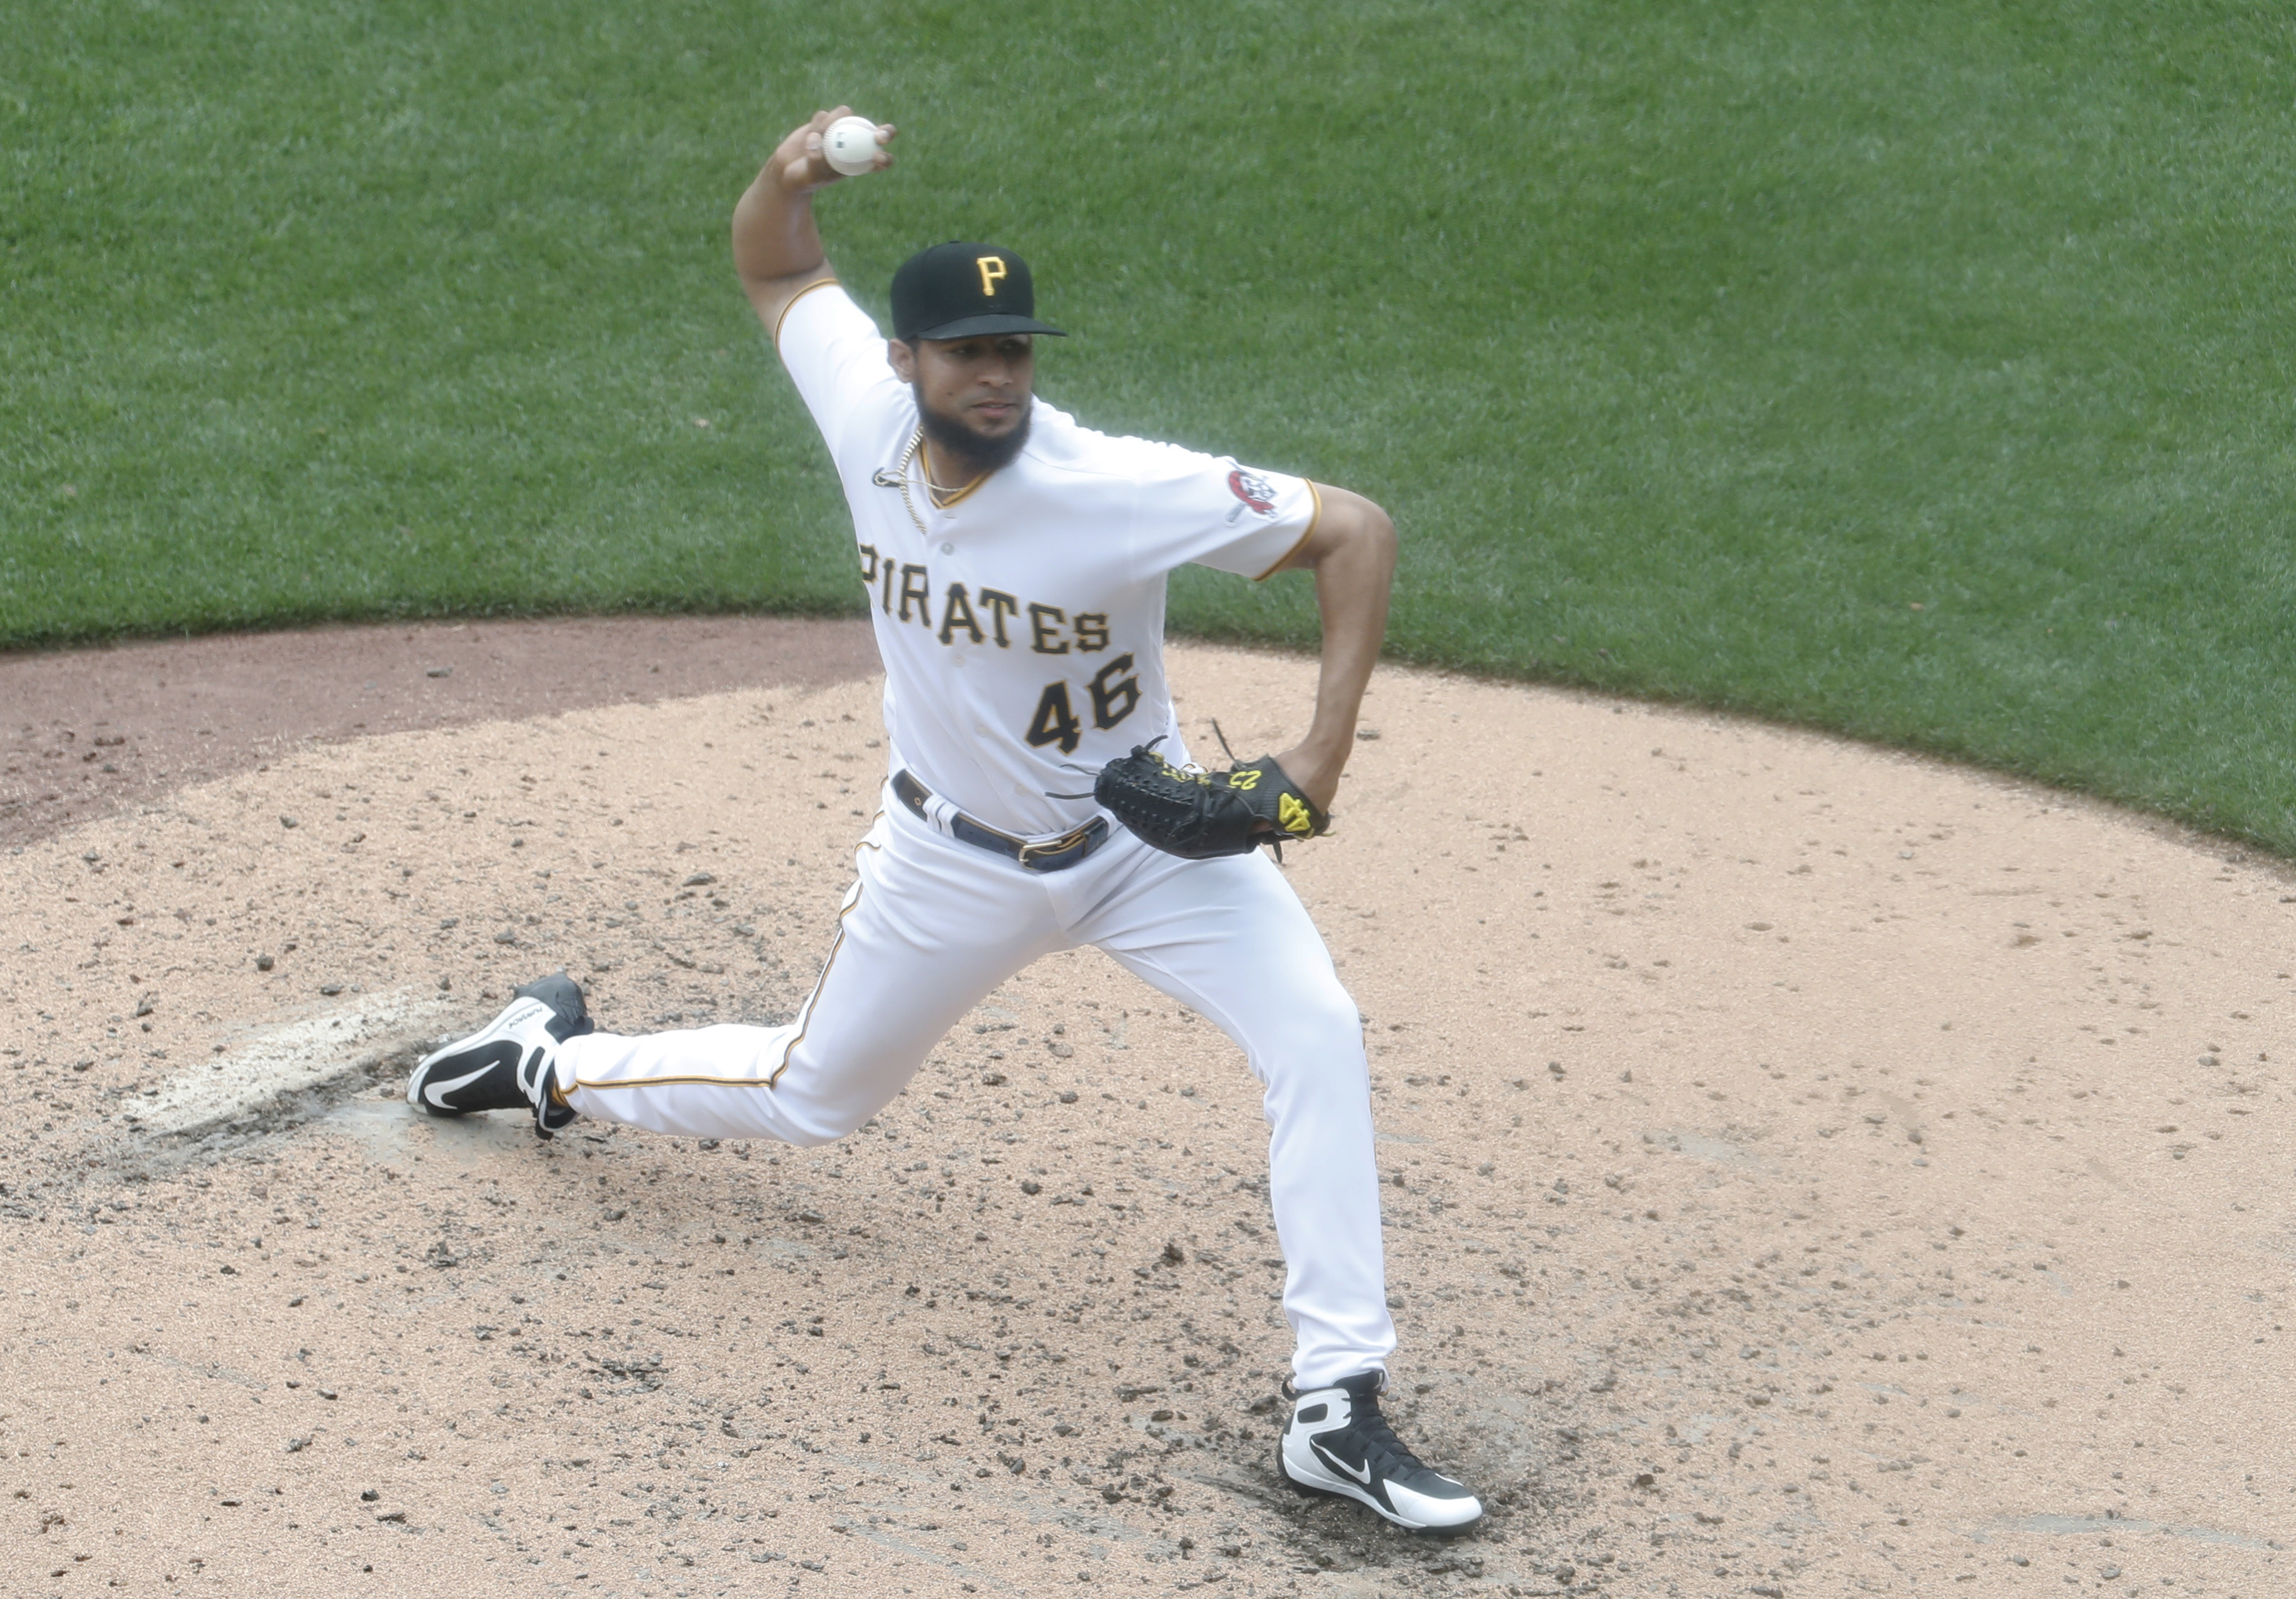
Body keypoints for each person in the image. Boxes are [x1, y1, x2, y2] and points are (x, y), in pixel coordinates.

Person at [407, 107, 1482, 1534]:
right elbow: (778, 275)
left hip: (1142, 845)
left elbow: (1357, 528)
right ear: (908, 361)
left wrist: (1318, 756)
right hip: (945, 862)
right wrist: (787, 175)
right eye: (970, 352)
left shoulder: (1112, 486)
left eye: (1017, 349)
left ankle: (1337, 1404)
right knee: (813, 1094)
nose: (997, 375)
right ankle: (547, 1063)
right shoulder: (864, 412)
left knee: (1317, 1032)